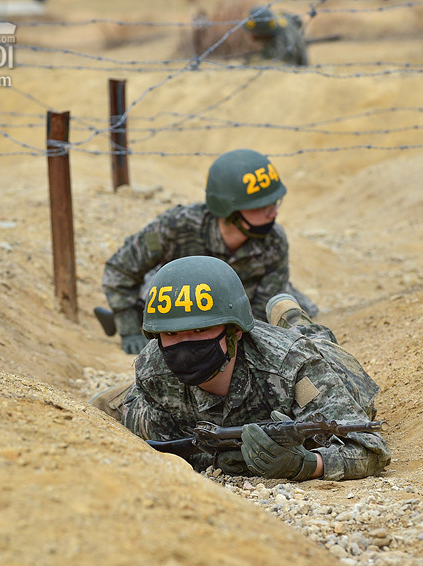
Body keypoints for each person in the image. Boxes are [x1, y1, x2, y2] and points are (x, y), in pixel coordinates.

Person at [108, 255, 390, 482]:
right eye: (171, 334)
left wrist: (305, 465)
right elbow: (167, 448)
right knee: (114, 408)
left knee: (316, 341)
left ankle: (291, 317)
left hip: (319, 360)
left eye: (198, 329)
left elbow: (370, 450)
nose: (184, 346)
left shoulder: (293, 365)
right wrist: (218, 458)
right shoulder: (153, 369)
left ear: (234, 331)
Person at [99, 148, 318, 354]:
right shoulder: (177, 226)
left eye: (275, 203)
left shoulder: (274, 241)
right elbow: (120, 269)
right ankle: (135, 314)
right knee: (155, 292)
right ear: (229, 210)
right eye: (263, 207)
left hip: (238, 306)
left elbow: (260, 312)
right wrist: (128, 329)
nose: (274, 213)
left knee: (300, 308)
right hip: (182, 299)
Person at [244, 5, 309, 66]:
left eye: (253, 31)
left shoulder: (283, 36)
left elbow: (286, 58)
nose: (251, 34)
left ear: (262, 30)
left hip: (296, 54)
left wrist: (259, 60)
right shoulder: (271, 23)